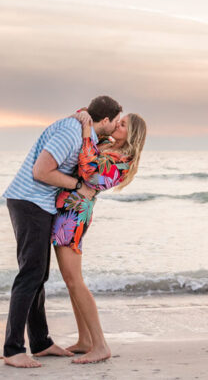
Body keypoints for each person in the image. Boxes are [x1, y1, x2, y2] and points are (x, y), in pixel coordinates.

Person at [0, 95, 123, 369]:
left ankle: (41, 342)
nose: (116, 128)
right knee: (30, 274)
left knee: (38, 274)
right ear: (105, 120)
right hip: (30, 201)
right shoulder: (72, 131)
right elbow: (41, 171)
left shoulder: (83, 131)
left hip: (39, 204)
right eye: (115, 122)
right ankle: (13, 349)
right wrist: (78, 187)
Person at [51, 109, 148, 364]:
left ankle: (100, 344)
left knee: (74, 280)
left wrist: (85, 132)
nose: (117, 125)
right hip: (67, 208)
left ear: (132, 134)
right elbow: (91, 123)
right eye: (119, 120)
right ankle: (85, 340)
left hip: (74, 214)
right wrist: (84, 117)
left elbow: (89, 171)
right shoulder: (107, 144)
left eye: (123, 124)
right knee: (70, 279)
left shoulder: (123, 161)